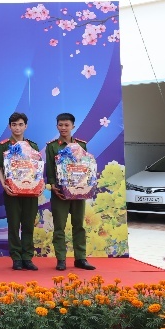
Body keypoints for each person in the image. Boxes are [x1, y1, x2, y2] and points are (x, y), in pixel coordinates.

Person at [45, 112, 96, 271]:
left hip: (79, 192)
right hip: (60, 193)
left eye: (66, 125)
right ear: (56, 126)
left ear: (73, 126)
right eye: (60, 125)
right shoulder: (52, 146)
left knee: (78, 225)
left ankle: (80, 258)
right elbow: (50, 169)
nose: (63, 128)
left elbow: (85, 166)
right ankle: (61, 259)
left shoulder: (81, 145)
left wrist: (86, 185)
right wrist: (53, 185)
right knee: (59, 227)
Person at [0, 112, 40, 271]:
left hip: (31, 192)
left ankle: (27, 257)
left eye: (20, 124)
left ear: (26, 126)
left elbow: (37, 168)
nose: (17, 128)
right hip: (11, 192)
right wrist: (4, 185)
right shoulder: (4, 146)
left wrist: (39, 185)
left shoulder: (32, 146)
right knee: (13, 225)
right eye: (14, 125)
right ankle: (16, 258)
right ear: (9, 127)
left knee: (28, 225)